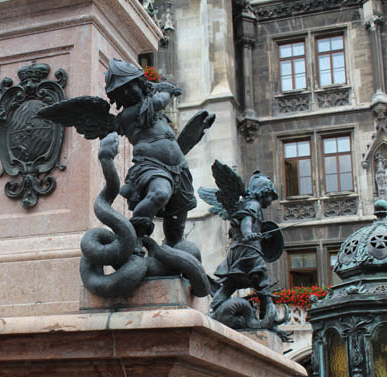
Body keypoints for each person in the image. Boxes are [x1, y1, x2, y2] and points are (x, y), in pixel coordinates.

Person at [105, 59, 197, 247]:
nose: (127, 92)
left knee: (177, 226)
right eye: (122, 92)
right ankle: (132, 241)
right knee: (159, 194)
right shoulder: (129, 114)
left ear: (140, 83)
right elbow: (160, 101)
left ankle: (172, 255)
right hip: (152, 166)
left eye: (130, 86)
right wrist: (166, 89)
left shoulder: (150, 107)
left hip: (179, 169)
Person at [210, 171, 279, 312]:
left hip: (238, 249)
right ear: (263, 193)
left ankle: (215, 309)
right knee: (262, 280)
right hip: (249, 249)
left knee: (231, 284)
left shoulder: (246, 204)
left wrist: (260, 236)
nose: (271, 201)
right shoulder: (253, 205)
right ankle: (268, 315)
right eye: (270, 196)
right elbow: (246, 221)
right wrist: (248, 233)